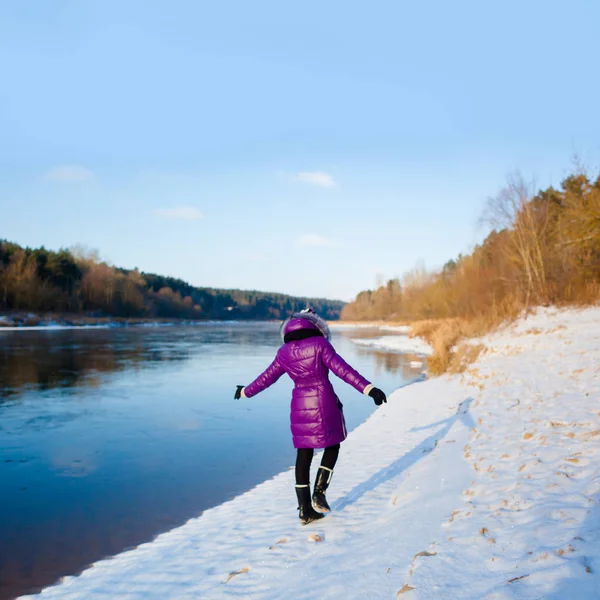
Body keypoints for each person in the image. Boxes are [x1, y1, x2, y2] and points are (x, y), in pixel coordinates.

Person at [234, 308, 387, 525]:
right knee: (332, 445)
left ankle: (305, 509)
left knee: (303, 455)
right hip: (323, 402)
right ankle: (319, 492)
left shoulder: (284, 352)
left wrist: (244, 392)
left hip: (299, 404)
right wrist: (369, 389)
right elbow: (343, 370)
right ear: (314, 325)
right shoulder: (320, 345)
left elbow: (265, 379)